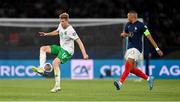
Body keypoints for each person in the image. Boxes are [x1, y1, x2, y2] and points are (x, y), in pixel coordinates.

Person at [32, 12, 89, 93]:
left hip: (68, 51)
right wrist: (46, 34)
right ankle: (41, 68)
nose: (61, 23)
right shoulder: (60, 25)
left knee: (55, 62)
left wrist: (84, 54)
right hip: (61, 48)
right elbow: (57, 32)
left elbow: (79, 42)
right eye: (60, 21)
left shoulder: (71, 30)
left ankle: (57, 86)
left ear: (67, 21)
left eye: (63, 21)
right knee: (43, 48)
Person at [114, 10, 163, 91]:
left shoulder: (141, 25)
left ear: (133, 17)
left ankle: (120, 83)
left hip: (136, 48)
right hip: (129, 48)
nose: (127, 18)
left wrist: (157, 48)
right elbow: (124, 34)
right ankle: (148, 78)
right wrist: (123, 35)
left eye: (128, 16)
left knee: (128, 65)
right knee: (131, 69)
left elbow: (149, 37)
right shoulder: (128, 25)